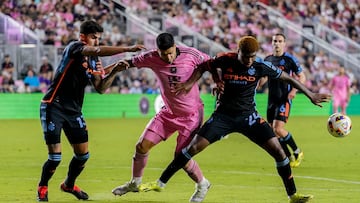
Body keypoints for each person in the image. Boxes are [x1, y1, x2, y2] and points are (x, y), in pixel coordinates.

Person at [138, 36, 331, 203]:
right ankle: (160, 183)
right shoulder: (225, 59)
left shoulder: (260, 66)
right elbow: (204, 66)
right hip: (223, 117)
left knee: (279, 153)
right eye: (246, 56)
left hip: (250, 118)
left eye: (252, 56)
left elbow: (288, 78)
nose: (249, 60)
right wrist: (205, 81)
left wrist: (310, 94)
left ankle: (293, 195)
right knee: (191, 149)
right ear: (238, 51)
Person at [36, 20, 144, 202]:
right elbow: (96, 50)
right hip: (53, 105)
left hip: (74, 111)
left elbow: (100, 88)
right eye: (94, 38)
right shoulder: (75, 47)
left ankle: (68, 185)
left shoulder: (95, 60)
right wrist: (128, 48)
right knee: (55, 157)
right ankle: (43, 187)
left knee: (83, 155)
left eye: (99, 38)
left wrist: (115, 70)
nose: (96, 42)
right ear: (83, 37)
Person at [111, 32, 211, 202]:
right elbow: (131, 62)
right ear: (157, 51)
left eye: (171, 52)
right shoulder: (151, 57)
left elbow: (211, 64)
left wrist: (217, 82)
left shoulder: (191, 54)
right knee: (141, 146)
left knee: (181, 158)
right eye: (163, 54)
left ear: (175, 46)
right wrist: (118, 66)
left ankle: (202, 184)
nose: (168, 57)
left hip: (191, 116)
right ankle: (135, 183)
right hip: (168, 114)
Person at [263, 33, 307, 168]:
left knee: (278, 128)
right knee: (272, 131)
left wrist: (294, 90)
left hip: (284, 98)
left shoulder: (289, 59)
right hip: (272, 99)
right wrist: (258, 83)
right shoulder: (268, 59)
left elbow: (302, 76)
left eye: (279, 41)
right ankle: (288, 156)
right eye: (274, 41)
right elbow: (264, 76)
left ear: (284, 44)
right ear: (272, 43)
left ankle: (297, 151)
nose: (277, 43)